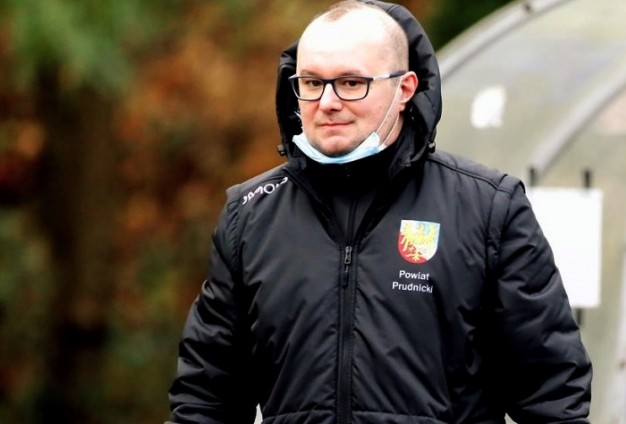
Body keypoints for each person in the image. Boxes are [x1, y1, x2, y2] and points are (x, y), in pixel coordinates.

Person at [168, 1, 592, 423]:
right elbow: (205, 400)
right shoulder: (250, 216)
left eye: (351, 83)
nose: (327, 101)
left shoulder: (488, 209)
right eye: (312, 83)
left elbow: (553, 397)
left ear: (405, 89)